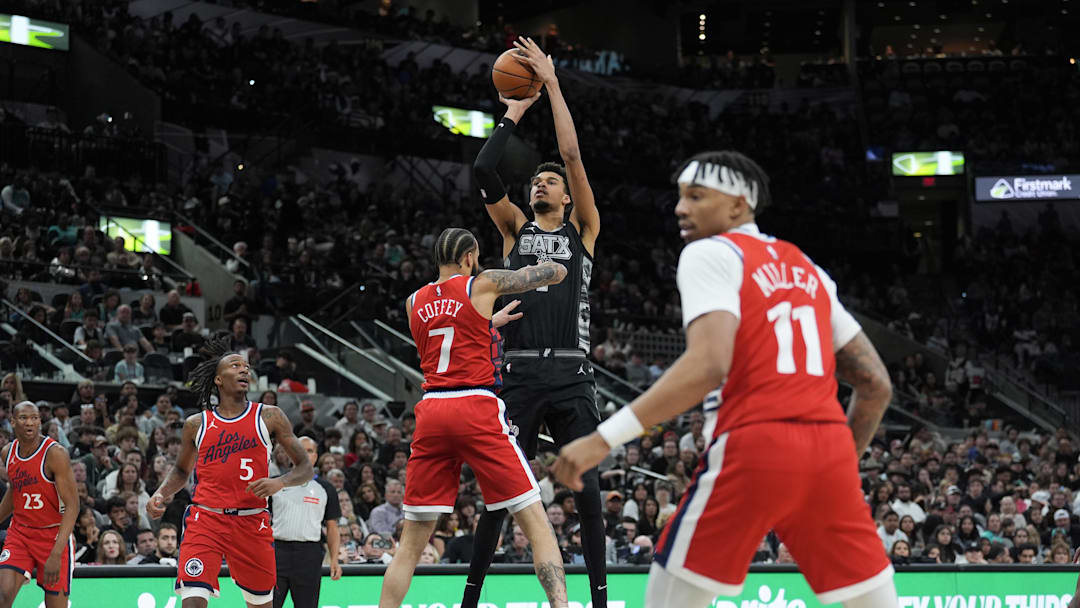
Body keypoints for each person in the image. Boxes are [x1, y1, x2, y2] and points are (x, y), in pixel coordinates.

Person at [553, 150, 898, 608]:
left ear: (738, 205)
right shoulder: (806, 267)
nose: (681, 208)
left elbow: (709, 363)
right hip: (829, 452)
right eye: (680, 196)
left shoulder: (710, 252)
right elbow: (876, 385)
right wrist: (825, 472)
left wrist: (602, 439)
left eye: (697, 197)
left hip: (754, 443)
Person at [464, 36, 605, 608]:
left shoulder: (584, 230)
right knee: (500, 497)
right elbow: (482, 167)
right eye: (536, 180)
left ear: (570, 200)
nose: (540, 182)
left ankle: (596, 600)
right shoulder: (514, 229)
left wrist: (552, 84)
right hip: (518, 376)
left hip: (572, 377)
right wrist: (513, 113)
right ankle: (471, 598)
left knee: (590, 489)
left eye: (550, 182)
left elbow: (571, 157)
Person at [377, 228, 569, 608]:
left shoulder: (413, 301)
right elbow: (547, 276)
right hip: (475, 404)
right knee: (536, 524)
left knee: (412, 544)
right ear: (469, 258)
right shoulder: (482, 283)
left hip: (432, 409)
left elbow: (447, 335)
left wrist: (487, 322)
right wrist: (555, 264)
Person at [146, 337, 313, 608]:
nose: (244, 370)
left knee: (260, 604)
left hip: (251, 521)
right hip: (206, 519)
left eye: (246, 367)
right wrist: (162, 493)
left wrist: (278, 482)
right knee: (192, 600)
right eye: (235, 366)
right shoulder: (196, 423)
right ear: (218, 380)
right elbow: (180, 470)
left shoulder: (269, 416)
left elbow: (306, 467)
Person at [0, 402, 80, 605]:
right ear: (12, 422)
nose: (30, 423)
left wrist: (56, 553)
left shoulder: (55, 454)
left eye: (34, 418)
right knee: (3, 595)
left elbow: (73, 506)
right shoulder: (7, 452)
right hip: (20, 533)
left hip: (53, 535)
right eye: (24, 418)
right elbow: (15, 491)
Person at [271, 436, 342, 608]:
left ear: (316, 457)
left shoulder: (326, 489)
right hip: (276, 552)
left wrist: (334, 559)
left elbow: (332, 527)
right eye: (300, 449)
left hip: (309, 555)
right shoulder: (274, 484)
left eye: (309, 450)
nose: (304, 453)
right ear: (291, 453)